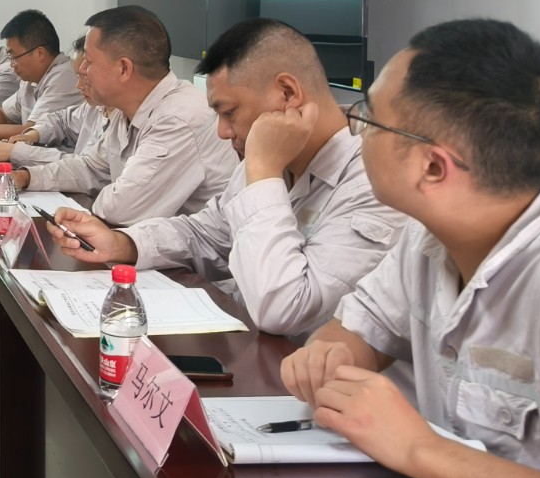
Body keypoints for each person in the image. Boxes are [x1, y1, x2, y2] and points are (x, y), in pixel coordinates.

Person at [281, 20, 540, 478]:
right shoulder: (432, 231)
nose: (355, 131)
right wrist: (330, 354)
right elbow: (362, 326)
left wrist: (420, 449)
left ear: (433, 166)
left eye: (367, 118)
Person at [47, 18, 405, 337]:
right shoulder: (272, 158)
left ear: (287, 93)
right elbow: (206, 233)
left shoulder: (373, 182)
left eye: (230, 113)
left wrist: (263, 173)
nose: (222, 131)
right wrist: (123, 244)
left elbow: (285, 310)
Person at [0, 7, 236, 224]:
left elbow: (121, 209)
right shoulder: (126, 110)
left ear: (123, 68)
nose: (82, 71)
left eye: (89, 61)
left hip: (199, 267)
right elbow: (91, 167)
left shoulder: (178, 118)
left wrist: (76, 203)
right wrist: (27, 177)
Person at [0, 9, 80, 142]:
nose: (12, 64)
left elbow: (31, 131)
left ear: (40, 54)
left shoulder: (63, 77)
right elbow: (4, 114)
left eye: (15, 57)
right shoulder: (29, 79)